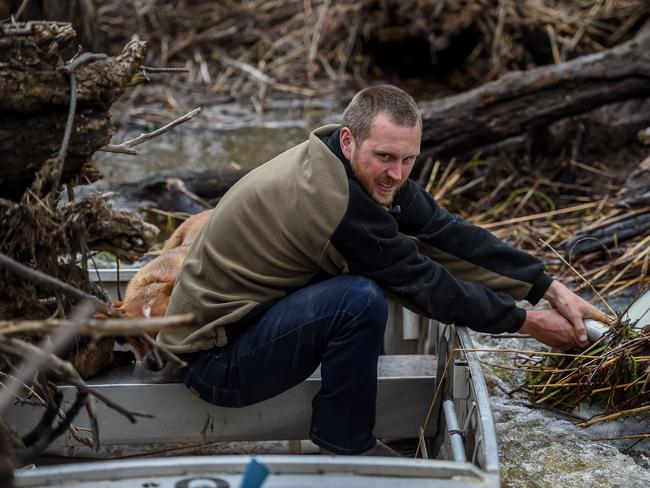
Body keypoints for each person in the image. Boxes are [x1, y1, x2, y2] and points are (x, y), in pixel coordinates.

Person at [160, 84, 608, 456]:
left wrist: (546, 287)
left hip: (247, 326)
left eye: (408, 159)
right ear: (350, 139)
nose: (397, 173)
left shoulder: (346, 163)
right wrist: (526, 323)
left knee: (372, 277)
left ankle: (357, 415)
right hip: (212, 363)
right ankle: (345, 440)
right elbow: (425, 283)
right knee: (359, 297)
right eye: (386, 157)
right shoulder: (335, 206)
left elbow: (445, 232)